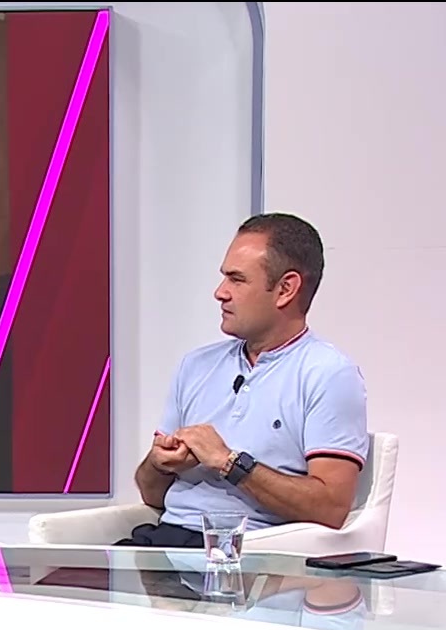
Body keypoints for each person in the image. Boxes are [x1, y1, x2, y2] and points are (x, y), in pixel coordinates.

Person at [122, 213, 370, 547]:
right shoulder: (195, 366)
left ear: (285, 289)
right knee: (65, 577)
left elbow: (330, 509)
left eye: (236, 280)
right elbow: (152, 495)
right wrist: (159, 464)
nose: (219, 293)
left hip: (250, 553)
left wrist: (229, 462)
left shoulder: (328, 374)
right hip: (166, 542)